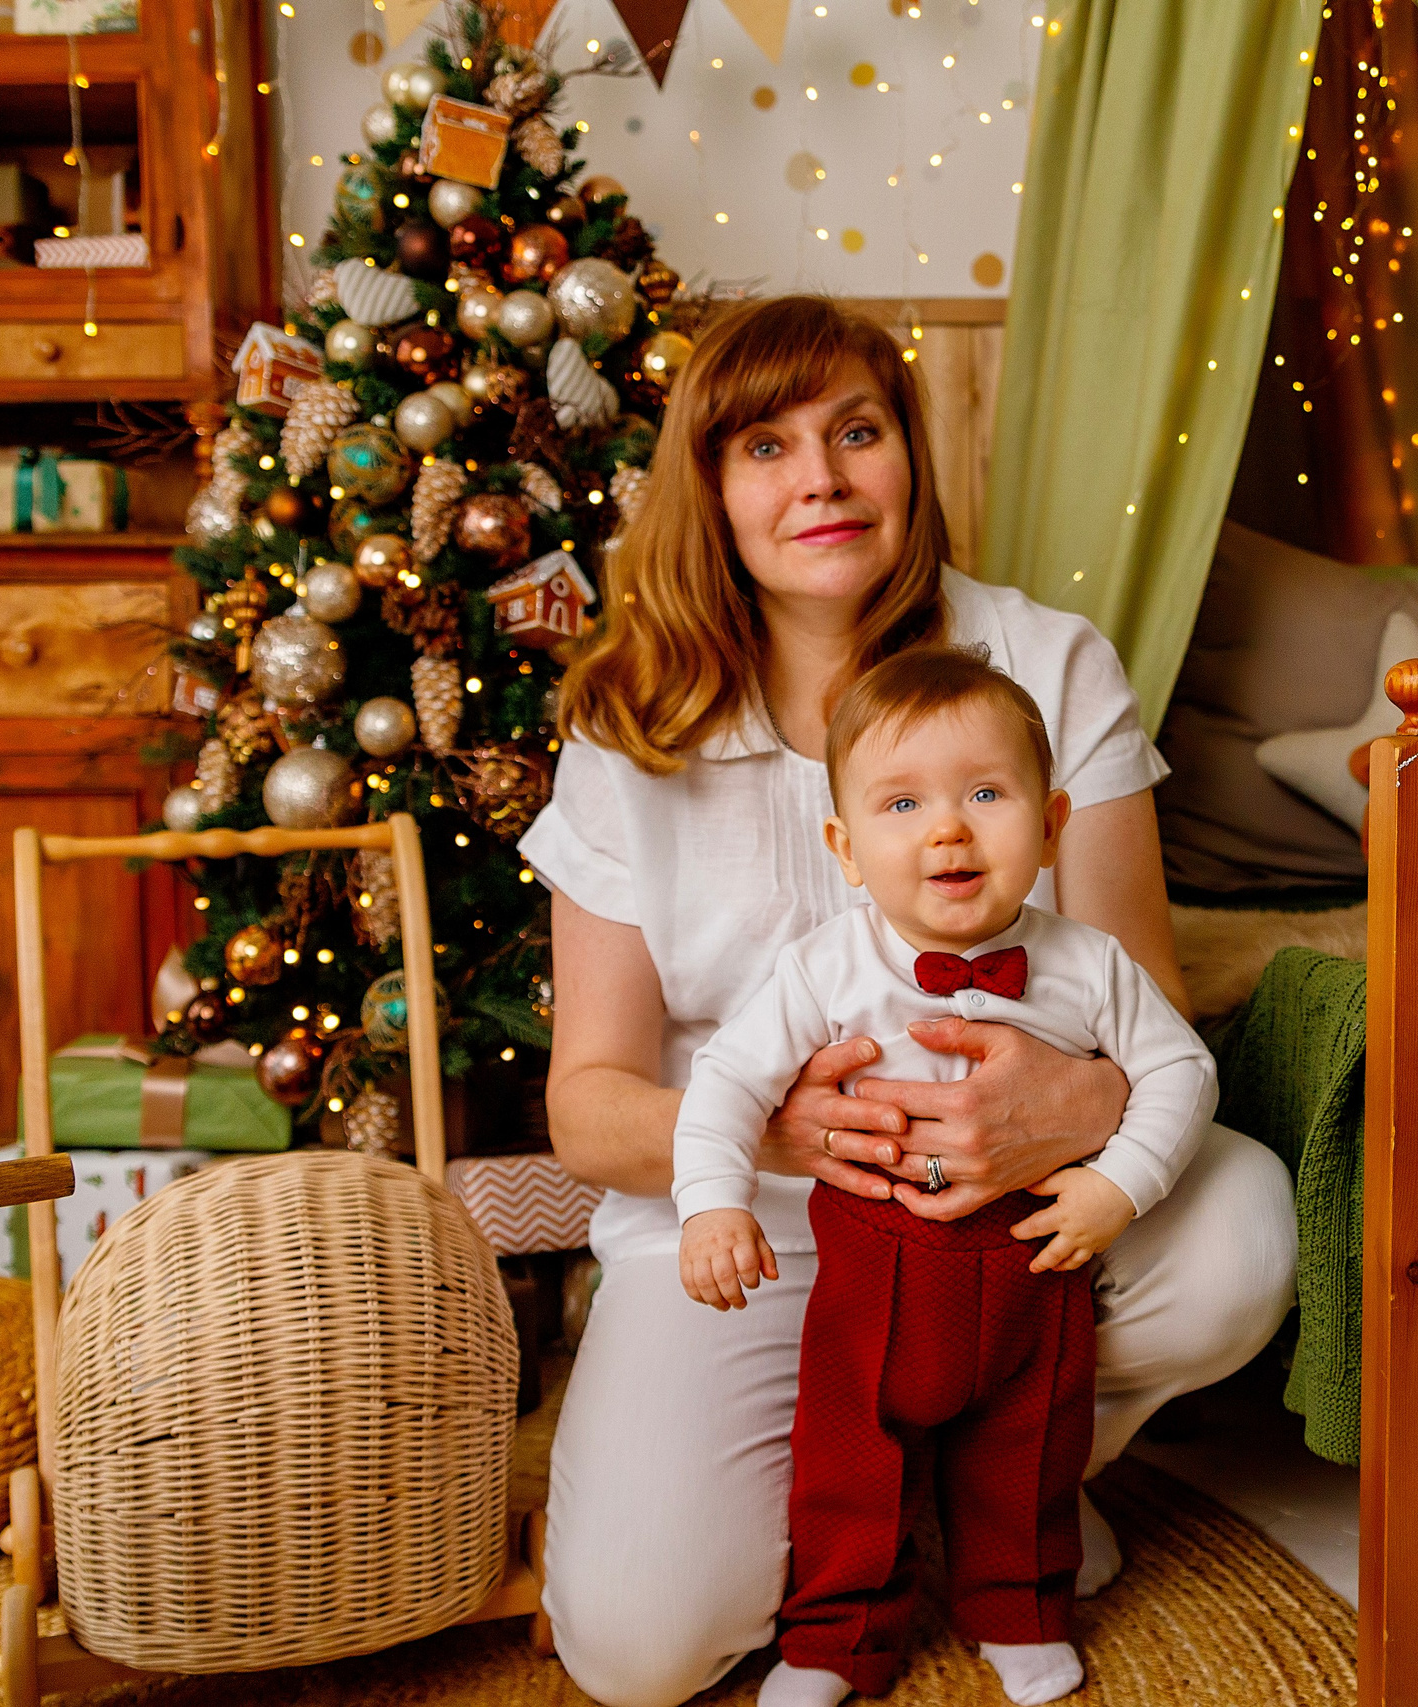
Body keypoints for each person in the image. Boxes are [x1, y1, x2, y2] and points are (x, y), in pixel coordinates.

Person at [523, 293, 1295, 1707]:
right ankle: (885, 1496)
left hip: (1019, 1223)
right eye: (766, 446)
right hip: (752, 1232)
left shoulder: (1050, 662)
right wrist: (771, 1133)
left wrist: (1059, 1111)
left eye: (857, 432)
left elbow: (1150, 1013)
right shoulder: (630, 725)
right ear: (710, 489)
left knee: (1243, 1221)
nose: (818, 475)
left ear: (910, 463)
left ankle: (1022, 1480)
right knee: (641, 1646)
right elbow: (587, 1100)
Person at [671, 647, 1219, 1707]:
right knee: (848, 1466)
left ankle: (1016, 1607)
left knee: (1029, 1450)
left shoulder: (1089, 963)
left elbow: (1180, 1069)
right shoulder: (825, 967)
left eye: (985, 793)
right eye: (902, 802)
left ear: (1053, 823)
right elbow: (727, 1082)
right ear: (843, 846)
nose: (948, 829)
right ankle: (835, 1640)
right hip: (875, 1271)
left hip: (1032, 1261)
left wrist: (1120, 1185)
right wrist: (710, 1206)